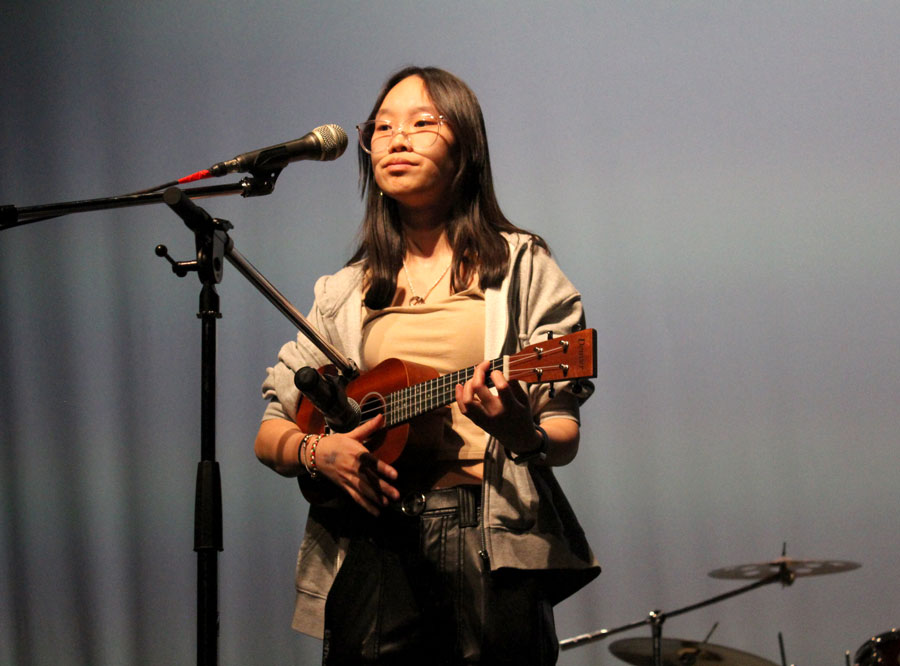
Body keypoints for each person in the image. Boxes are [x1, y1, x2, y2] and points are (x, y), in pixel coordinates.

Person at [254, 65, 599, 665]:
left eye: (421, 123)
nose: (397, 139)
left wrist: (522, 432)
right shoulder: (345, 291)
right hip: (375, 540)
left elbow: (561, 434)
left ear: (465, 145)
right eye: (382, 128)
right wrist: (317, 452)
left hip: (488, 537)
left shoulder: (520, 266)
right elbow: (271, 430)